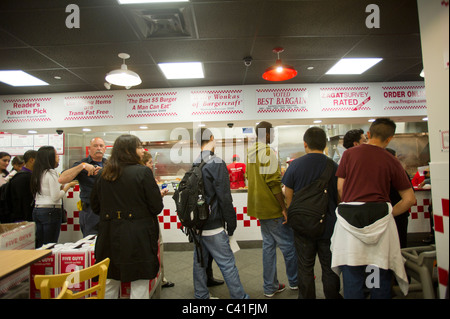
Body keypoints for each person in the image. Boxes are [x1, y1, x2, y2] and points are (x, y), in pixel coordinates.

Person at [332, 118, 416, 299]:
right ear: (390, 138)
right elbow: (409, 199)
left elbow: (340, 188)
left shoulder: (349, 155)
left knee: (352, 273)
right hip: (381, 226)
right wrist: (387, 214)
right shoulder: (391, 160)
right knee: (377, 270)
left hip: (349, 225)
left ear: (368, 134)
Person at [90, 135, 163, 299]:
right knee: (139, 282)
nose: (142, 151)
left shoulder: (103, 174)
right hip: (138, 237)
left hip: (109, 236)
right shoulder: (143, 172)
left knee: (110, 281)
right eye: (139, 147)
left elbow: (95, 207)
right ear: (129, 151)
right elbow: (156, 207)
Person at [282, 127, 342, 299]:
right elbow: (339, 193)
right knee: (329, 266)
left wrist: (292, 212)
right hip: (328, 225)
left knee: (305, 266)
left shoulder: (295, 165)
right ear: (324, 145)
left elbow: (288, 193)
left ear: (305, 143)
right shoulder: (333, 166)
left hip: (302, 226)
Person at [192, 128, 248, 299]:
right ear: (211, 138)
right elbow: (224, 197)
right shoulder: (216, 162)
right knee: (227, 264)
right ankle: (240, 299)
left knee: (200, 262)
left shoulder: (195, 162)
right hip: (213, 223)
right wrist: (231, 223)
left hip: (197, 224)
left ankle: (201, 295)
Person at [246, 121, 298, 297]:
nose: (274, 135)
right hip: (272, 208)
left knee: (268, 247)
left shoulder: (251, 151)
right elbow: (274, 183)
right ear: (266, 134)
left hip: (259, 207)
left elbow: (249, 176)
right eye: (273, 132)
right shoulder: (267, 151)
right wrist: (284, 207)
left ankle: (270, 287)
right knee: (289, 246)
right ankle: (295, 281)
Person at [58, 137, 107, 236]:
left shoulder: (110, 165)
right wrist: (82, 166)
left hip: (108, 210)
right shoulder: (81, 164)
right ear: (89, 149)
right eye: (95, 145)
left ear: (105, 149)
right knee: (91, 243)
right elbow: (62, 179)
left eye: (101, 146)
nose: (99, 148)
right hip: (90, 212)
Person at [30, 146, 77, 248]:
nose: (58, 157)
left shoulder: (37, 173)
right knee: (50, 245)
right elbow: (56, 196)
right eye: (56, 155)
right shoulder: (51, 173)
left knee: (40, 244)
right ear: (49, 157)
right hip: (51, 211)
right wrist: (68, 186)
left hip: (37, 210)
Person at [386, 148, 412, 249]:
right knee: (399, 247)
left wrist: (389, 213)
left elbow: (410, 199)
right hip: (397, 214)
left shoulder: (398, 172)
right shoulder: (400, 172)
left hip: (394, 215)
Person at [7, 150, 37, 222]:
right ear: (32, 160)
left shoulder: (30, 175)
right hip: (22, 218)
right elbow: (21, 201)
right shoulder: (23, 177)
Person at [0, 152, 12, 223]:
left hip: (4, 209)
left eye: (8, 161)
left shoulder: (8, 175)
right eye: (4, 160)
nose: (7, 163)